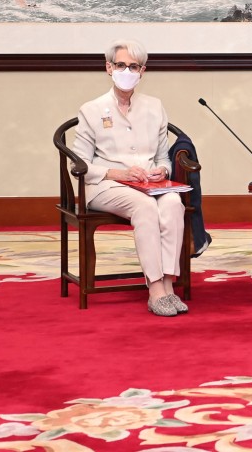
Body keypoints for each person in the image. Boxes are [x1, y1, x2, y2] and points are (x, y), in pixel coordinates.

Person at [73, 39, 188, 317]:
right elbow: (79, 164)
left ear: (142, 71)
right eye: (121, 65)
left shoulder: (154, 106)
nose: (127, 71)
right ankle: (155, 289)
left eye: (133, 66)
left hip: (148, 183)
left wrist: (163, 170)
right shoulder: (91, 109)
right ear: (109, 68)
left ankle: (169, 284)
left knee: (174, 203)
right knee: (145, 207)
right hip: (105, 185)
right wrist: (118, 173)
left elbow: (162, 157)